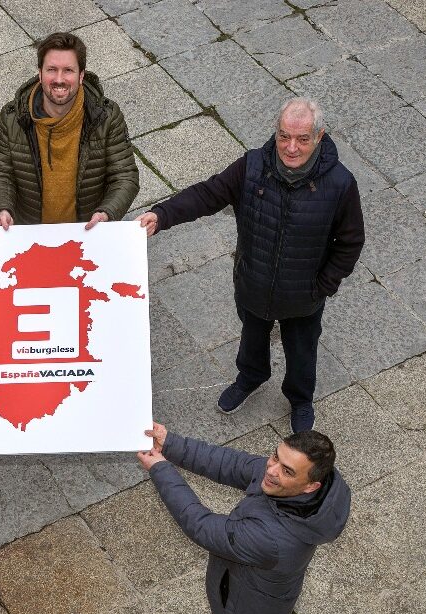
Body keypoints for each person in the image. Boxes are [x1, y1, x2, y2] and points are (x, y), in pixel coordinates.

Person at [137, 98, 364, 432]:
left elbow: (350, 241)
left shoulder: (340, 184)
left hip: (304, 296)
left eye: (302, 139)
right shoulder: (252, 166)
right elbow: (208, 194)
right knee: (252, 337)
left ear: (319, 137)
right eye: (284, 136)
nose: (290, 147)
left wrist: (323, 285)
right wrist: (163, 215)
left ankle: (300, 399)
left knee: (302, 351)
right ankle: (251, 376)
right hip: (253, 283)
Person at [137, 422, 350, 614]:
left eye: (287, 471)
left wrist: (161, 469)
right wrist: (170, 442)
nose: (270, 470)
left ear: (310, 486)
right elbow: (232, 463)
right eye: (274, 456)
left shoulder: (270, 538)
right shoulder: (317, 488)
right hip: (269, 606)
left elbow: (200, 525)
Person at [0, 32, 139, 230]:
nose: (59, 79)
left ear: (81, 75)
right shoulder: (12, 118)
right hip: (30, 232)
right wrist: (3, 209)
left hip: (85, 231)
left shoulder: (106, 117)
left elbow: (125, 176)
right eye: (51, 69)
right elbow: (0, 173)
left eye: (68, 70)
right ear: (39, 73)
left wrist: (107, 212)